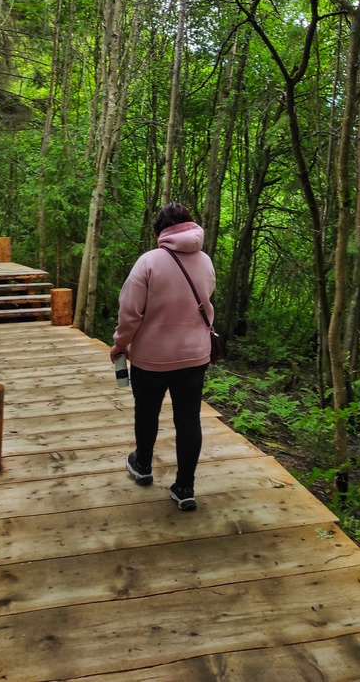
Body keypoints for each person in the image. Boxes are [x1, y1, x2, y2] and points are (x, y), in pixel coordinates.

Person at [110, 202, 216, 511]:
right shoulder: (205, 260)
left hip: (151, 357)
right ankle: (185, 488)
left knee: (146, 413)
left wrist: (120, 343)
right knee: (188, 420)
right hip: (195, 356)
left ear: (159, 231)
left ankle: (142, 465)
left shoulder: (148, 262)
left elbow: (130, 312)